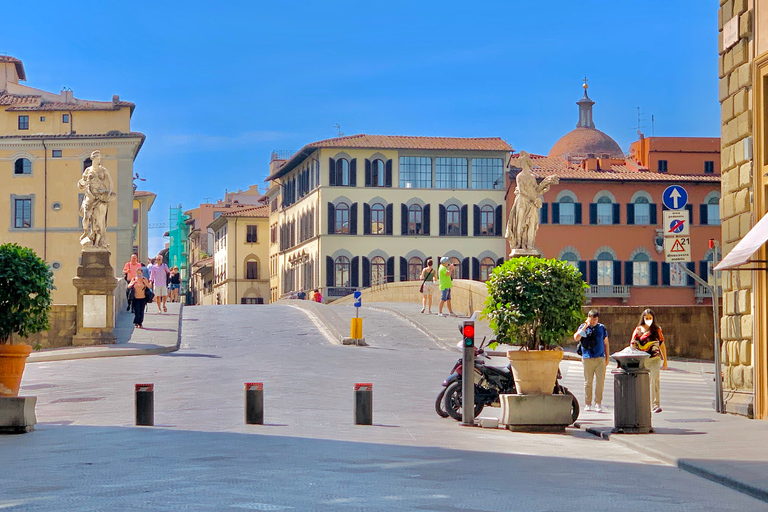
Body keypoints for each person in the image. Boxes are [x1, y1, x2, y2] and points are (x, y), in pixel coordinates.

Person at [630, 308, 668, 413]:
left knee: (655, 380)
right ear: (643, 318)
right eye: (646, 318)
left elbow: (662, 345)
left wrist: (665, 360)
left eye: (650, 318)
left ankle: (655, 404)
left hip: (655, 359)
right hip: (642, 359)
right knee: (642, 382)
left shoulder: (657, 330)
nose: (648, 320)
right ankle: (641, 404)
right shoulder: (638, 330)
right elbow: (632, 345)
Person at [573, 309, 610, 413]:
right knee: (588, 382)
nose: (594, 321)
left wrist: (607, 358)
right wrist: (585, 325)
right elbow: (576, 337)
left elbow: (606, 343)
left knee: (600, 382)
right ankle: (588, 403)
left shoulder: (602, 328)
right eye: (592, 318)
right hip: (587, 357)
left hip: (600, 358)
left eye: (595, 319)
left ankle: (598, 403)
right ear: (588, 317)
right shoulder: (583, 327)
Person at [77, 150, 115, 249]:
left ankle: (98, 241)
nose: (98, 160)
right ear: (92, 158)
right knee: (86, 217)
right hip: (90, 196)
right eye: (97, 158)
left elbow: (110, 182)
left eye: (99, 159)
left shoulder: (103, 170)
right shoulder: (88, 170)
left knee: (99, 221)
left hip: (100, 196)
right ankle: (86, 233)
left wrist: (108, 193)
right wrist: (82, 183)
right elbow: (82, 184)